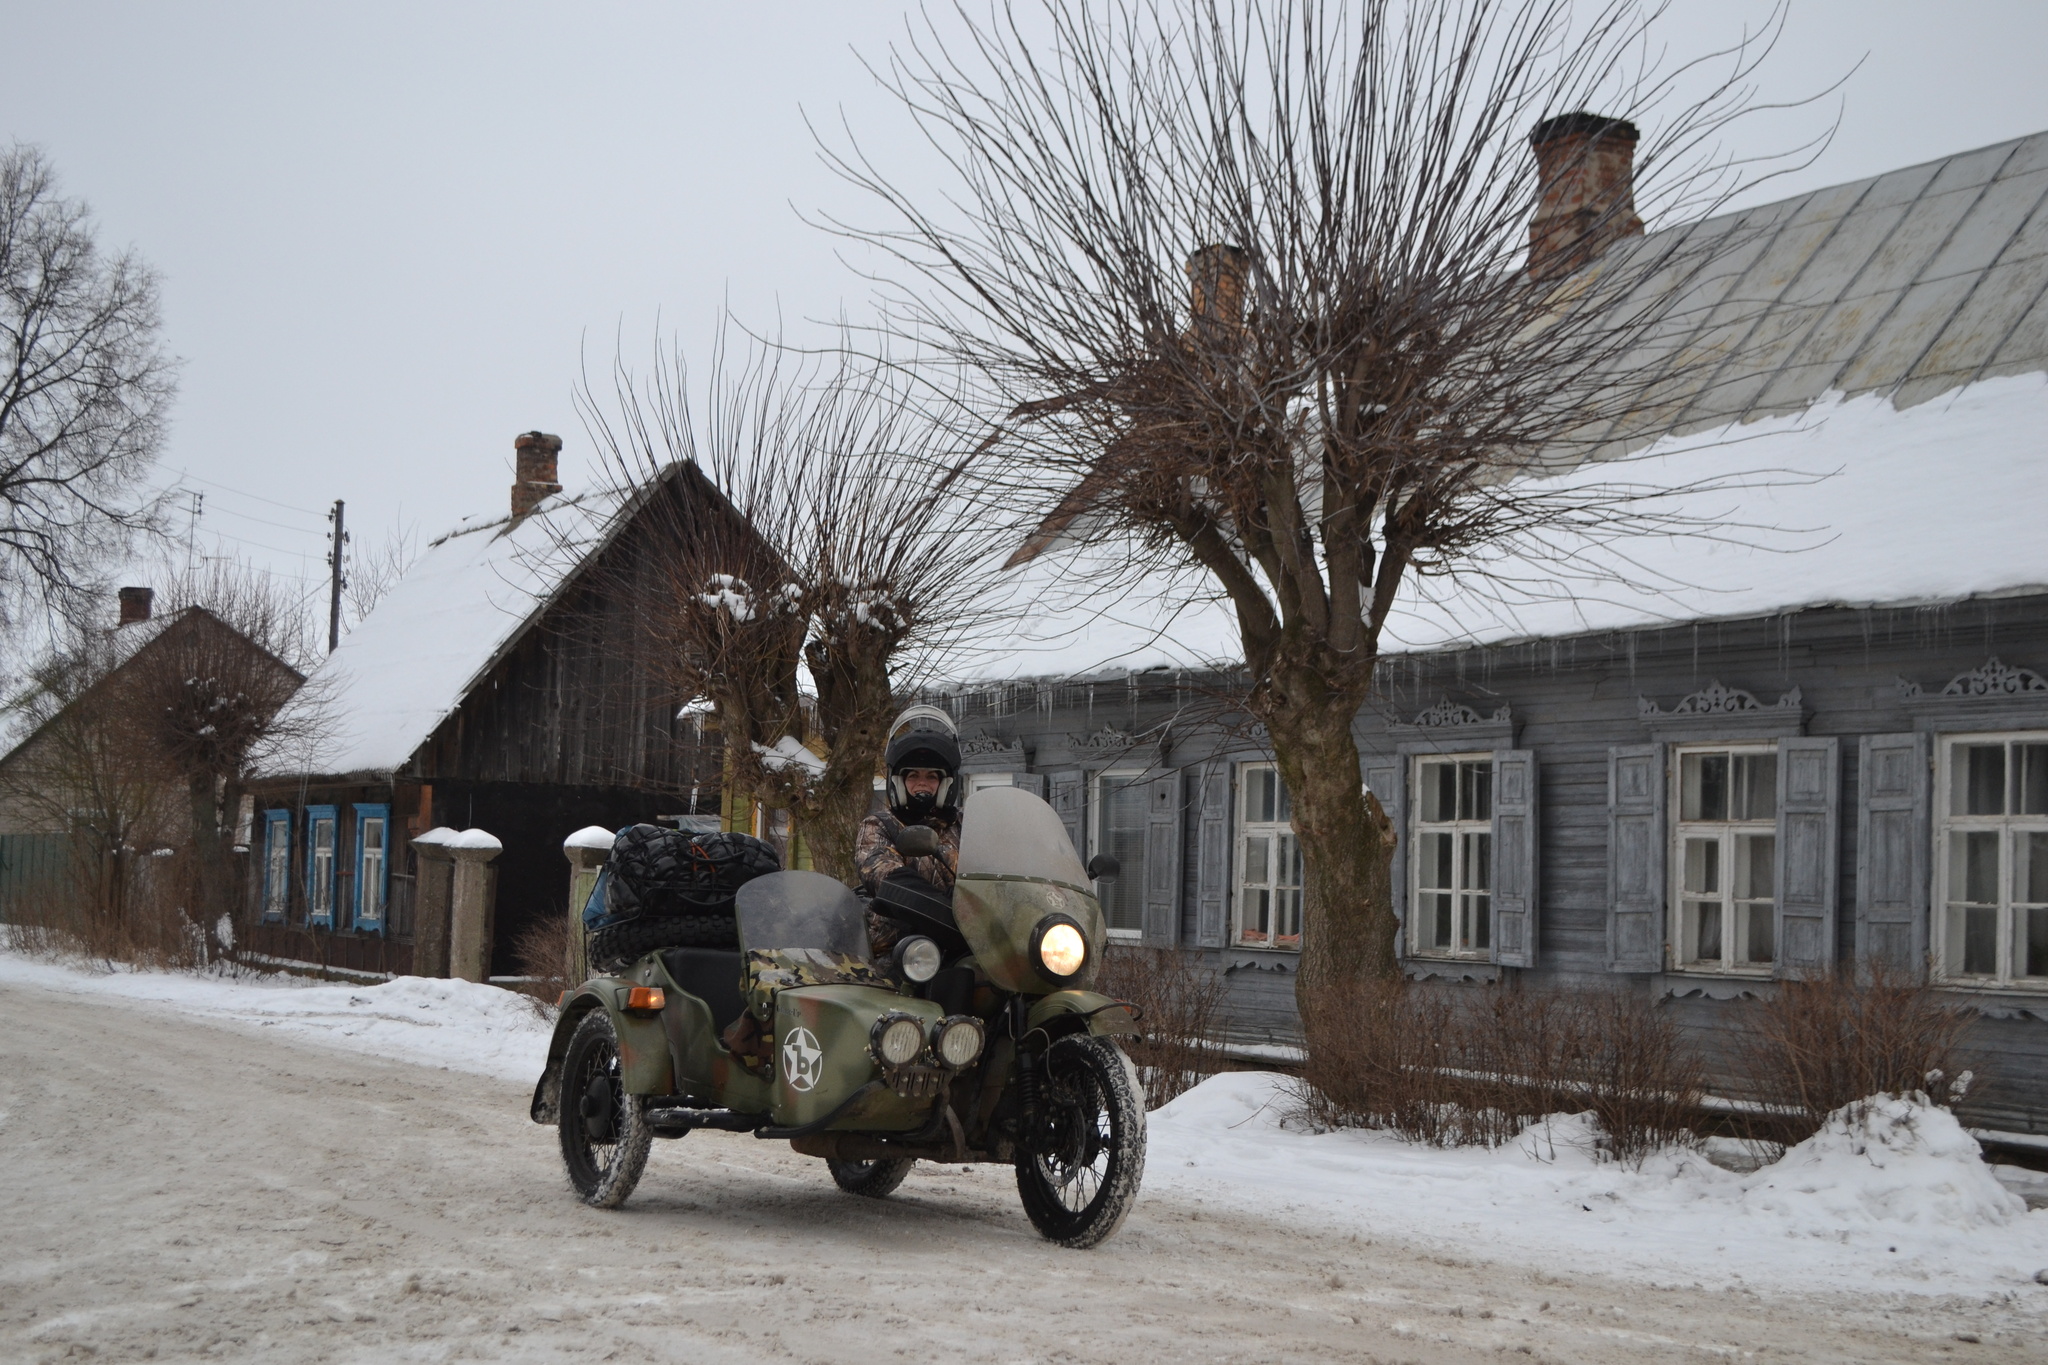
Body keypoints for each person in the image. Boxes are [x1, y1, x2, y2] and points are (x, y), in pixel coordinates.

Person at [856, 717, 963, 957]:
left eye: (931, 777)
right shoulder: (879, 825)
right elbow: (882, 874)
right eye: (913, 776)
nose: (922, 784)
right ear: (899, 782)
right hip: (902, 949)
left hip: (970, 940)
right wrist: (946, 910)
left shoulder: (966, 825)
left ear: (945, 784)